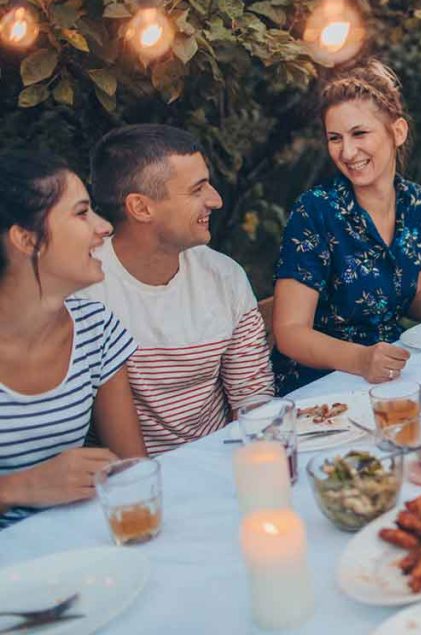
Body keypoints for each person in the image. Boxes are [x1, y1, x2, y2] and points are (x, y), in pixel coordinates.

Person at [273, 60, 421, 394]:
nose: (347, 152)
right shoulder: (316, 211)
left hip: (392, 375)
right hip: (321, 389)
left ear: (398, 131)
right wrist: (361, 360)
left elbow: (413, 298)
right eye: (335, 138)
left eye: (359, 133)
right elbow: (289, 331)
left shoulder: (415, 202)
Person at [83, 125, 274, 455]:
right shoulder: (84, 290)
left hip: (225, 459)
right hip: (133, 481)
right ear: (141, 208)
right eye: (197, 189)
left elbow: (253, 397)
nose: (216, 199)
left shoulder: (224, 277)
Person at [0, 152, 146, 529]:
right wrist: (18, 488)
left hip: (78, 551)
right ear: (27, 239)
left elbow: (134, 471)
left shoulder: (96, 328)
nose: (105, 228)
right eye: (81, 213)